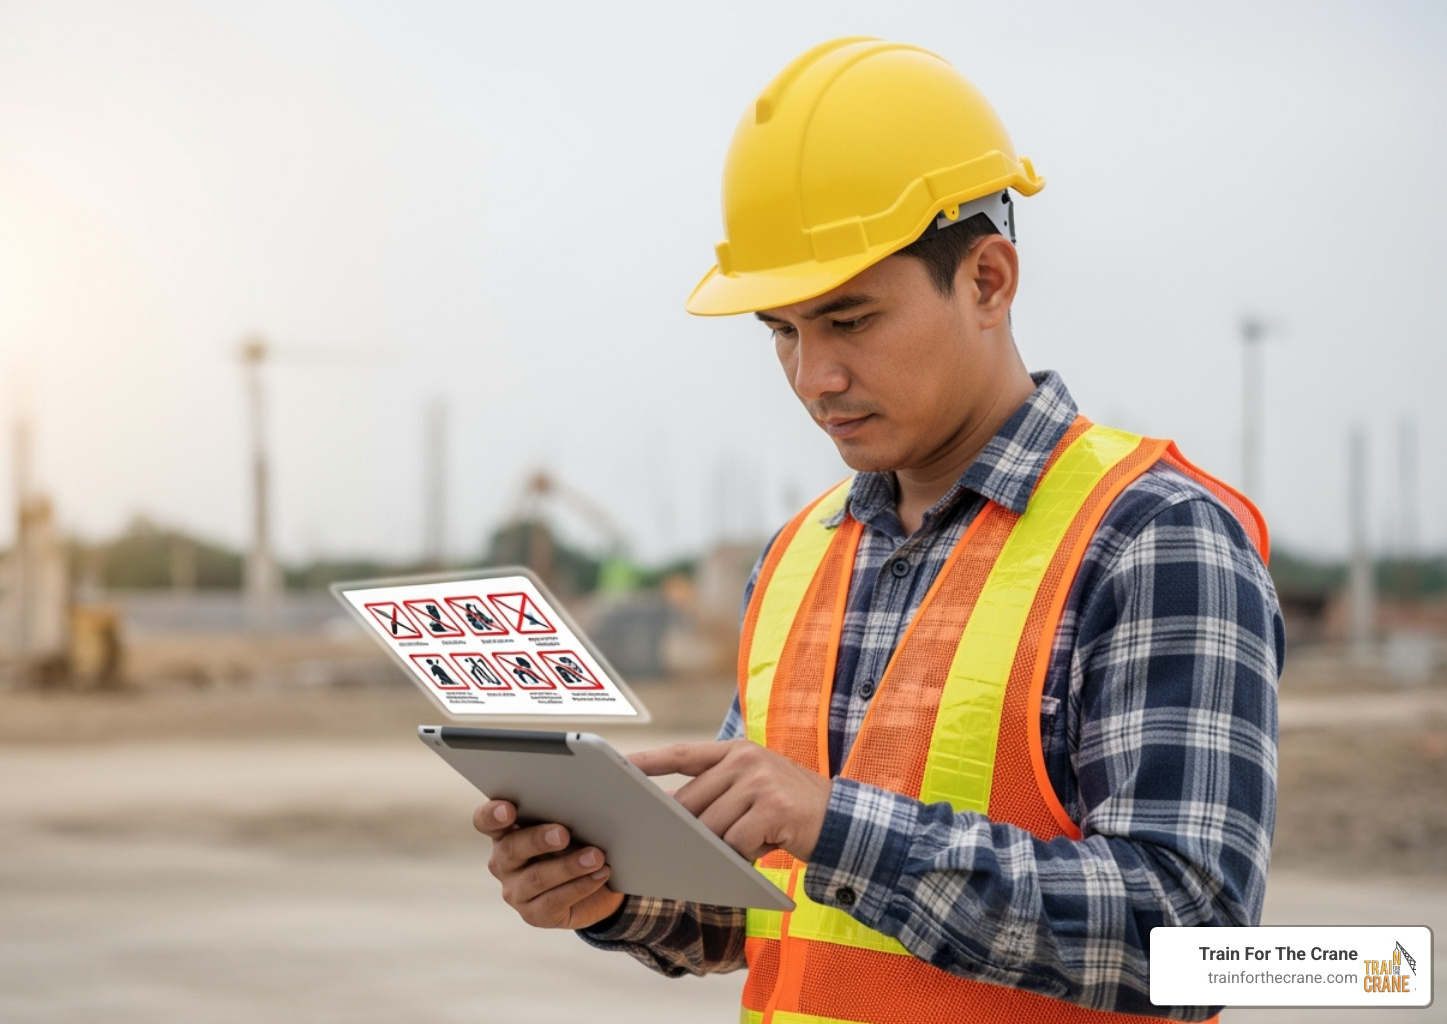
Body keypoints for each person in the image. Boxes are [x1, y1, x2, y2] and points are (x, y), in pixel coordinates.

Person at [472, 37, 1281, 1023]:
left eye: (850, 320)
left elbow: (1199, 944)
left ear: (988, 280)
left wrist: (836, 823)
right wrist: (610, 887)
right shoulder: (799, 555)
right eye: (782, 331)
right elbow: (758, 909)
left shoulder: (1154, 537)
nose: (814, 377)